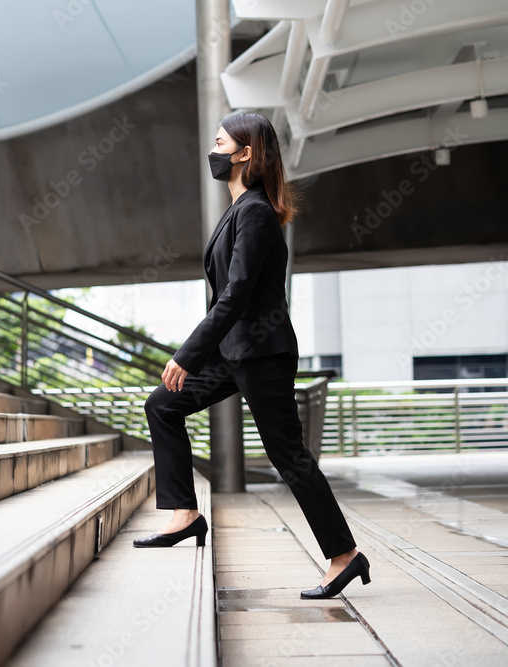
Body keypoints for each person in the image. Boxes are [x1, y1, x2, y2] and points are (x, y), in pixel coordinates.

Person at [131, 112, 371, 600]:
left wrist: (187, 354)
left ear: (244, 154)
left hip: (261, 353)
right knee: (163, 405)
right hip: (232, 353)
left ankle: (345, 555)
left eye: (221, 144)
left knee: (289, 456)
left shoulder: (256, 211)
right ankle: (186, 514)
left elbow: (236, 293)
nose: (213, 152)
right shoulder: (238, 210)